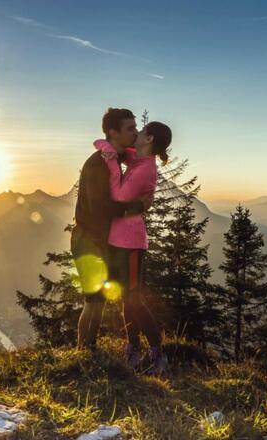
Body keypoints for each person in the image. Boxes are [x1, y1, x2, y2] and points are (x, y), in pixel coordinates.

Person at [93, 120, 172, 375]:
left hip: (132, 243)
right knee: (127, 299)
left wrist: (109, 162)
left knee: (134, 299)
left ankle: (158, 354)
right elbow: (113, 148)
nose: (136, 133)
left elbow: (118, 196)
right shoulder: (138, 160)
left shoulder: (145, 169)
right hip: (119, 239)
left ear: (149, 140)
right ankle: (133, 350)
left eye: (141, 130)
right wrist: (107, 146)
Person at [73, 108, 152, 350]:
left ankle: (88, 349)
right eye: (130, 128)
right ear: (112, 132)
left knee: (98, 300)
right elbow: (100, 208)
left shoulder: (114, 159)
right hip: (89, 240)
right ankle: (84, 351)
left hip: (100, 240)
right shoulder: (98, 164)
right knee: (94, 301)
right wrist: (137, 206)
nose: (136, 132)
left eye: (136, 127)